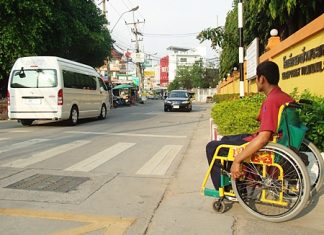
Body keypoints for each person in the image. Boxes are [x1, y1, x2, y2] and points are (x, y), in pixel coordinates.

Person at [206, 61, 294, 191]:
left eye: (257, 78)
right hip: (280, 141)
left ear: (262, 79)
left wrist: (237, 160)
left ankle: (227, 189)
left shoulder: (271, 101)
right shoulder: (285, 97)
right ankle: (237, 182)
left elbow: (263, 138)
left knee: (213, 147)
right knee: (226, 139)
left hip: (266, 144)